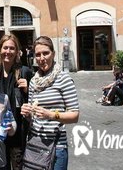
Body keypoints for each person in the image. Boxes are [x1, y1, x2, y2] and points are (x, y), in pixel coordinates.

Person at [21, 36, 79, 170]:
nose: (42, 58)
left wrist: (51, 115)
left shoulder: (63, 79)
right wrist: (27, 113)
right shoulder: (34, 81)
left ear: (53, 53)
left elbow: (74, 115)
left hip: (56, 146)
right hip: (35, 144)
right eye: (38, 55)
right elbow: (32, 118)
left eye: (45, 53)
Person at [0, 34, 33, 170]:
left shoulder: (24, 72)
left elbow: (36, 100)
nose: (8, 51)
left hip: (18, 134)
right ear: (0, 49)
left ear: (17, 51)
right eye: (5, 47)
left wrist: (28, 90)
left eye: (12, 48)